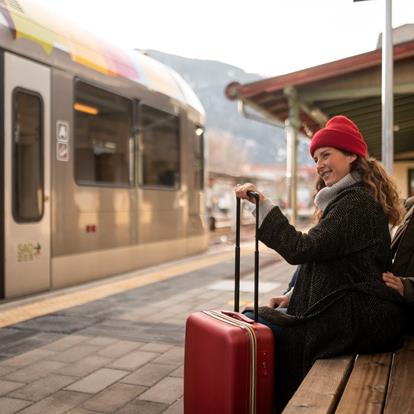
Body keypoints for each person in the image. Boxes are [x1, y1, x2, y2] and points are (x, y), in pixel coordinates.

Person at [235, 115, 406, 413]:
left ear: (352, 155)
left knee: (257, 323)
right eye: (316, 158)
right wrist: (292, 295)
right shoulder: (351, 199)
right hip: (351, 308)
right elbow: (323, 255)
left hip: (358, 317)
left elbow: (302, 248)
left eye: (326, 154)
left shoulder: (355, 204)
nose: (319, 164)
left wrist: (263, 206)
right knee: (260, 319)